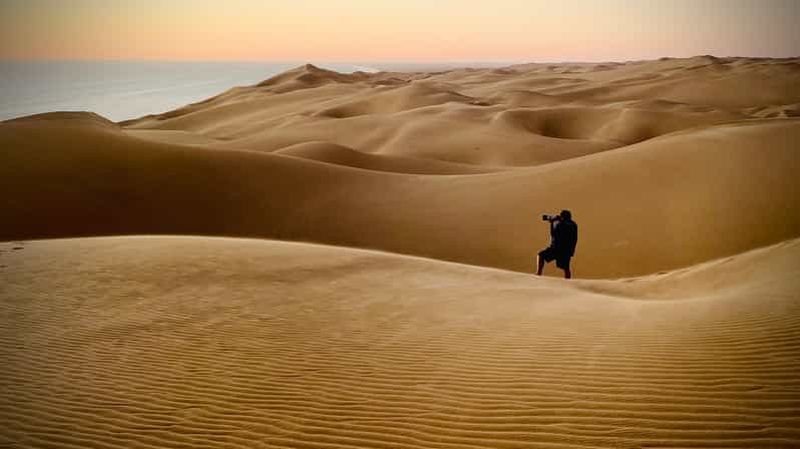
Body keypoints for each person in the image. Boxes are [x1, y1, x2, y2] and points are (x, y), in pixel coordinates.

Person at [536, 210, 578, 279]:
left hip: (556, 248)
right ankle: (568, 281)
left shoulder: (560, 224)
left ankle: (538, 273)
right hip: (567, 251)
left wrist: (552, 222)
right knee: (566, 267)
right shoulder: (573, 224)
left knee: (541, 255)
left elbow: (553, 234)